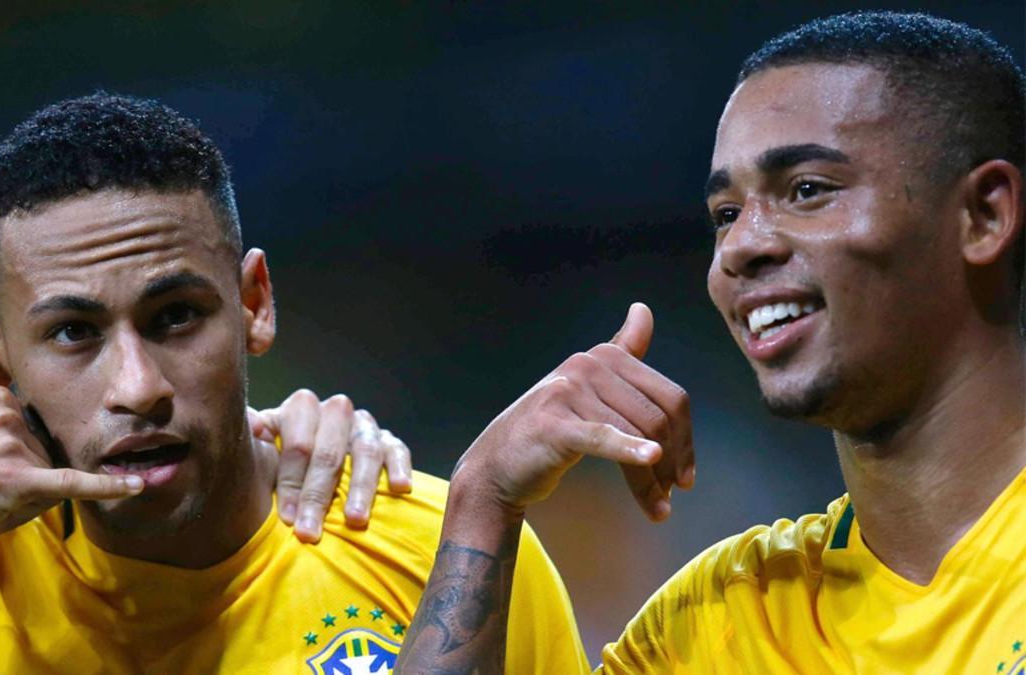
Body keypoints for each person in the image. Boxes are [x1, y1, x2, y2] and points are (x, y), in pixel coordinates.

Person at [0, 94, 588, 674]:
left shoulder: (443, 553)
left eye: (177, 315)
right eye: (73, 332)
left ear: (254, 302)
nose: (136, 387)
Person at [399, 11, 1025, 673]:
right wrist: (482, 500)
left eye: (807, 189)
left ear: (983, 214)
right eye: (726, 214)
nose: (742, 246)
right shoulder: (717, 624)